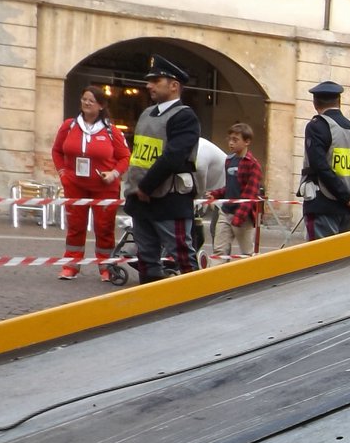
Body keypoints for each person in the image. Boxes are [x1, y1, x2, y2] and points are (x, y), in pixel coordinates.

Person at [122, 56, 201, 283]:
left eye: (156, 80)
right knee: (146, 258)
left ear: (174, 85)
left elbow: (173, 157)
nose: (149, 85)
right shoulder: (147, 113)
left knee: (182, 257)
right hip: (141, 199)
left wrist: (146, 186)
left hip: (169, 200)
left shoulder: (184, 116)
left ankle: (195, 302)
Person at [51, 86, 130, 281]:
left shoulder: (112, 131)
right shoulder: (69, 126)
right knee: (75, 226)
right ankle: (71, 264)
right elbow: (57, 151)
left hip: (105, 187)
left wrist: (114, 174)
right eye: (84, 99)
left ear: (101, 106)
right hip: (75, 184)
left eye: (91, 100)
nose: (86, 103)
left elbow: (125, 157)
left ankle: (106, 267)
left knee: (104, 228)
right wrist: (63, 172)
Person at [299, 80, 350, 239]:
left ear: (315, 103)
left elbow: (320, 166)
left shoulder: (316, 126)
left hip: (322, 205)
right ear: (339, 102)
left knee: (319, 258)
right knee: (339, 259)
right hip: (347, 208)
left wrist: (346, 196)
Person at [208, 122, 262, 261]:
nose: (231, 143)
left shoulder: (252, 164)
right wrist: (216, 193)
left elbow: (250, 194)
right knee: (219, 251)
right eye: (230, 139)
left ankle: (251, 280)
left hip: (243, 217)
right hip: (225, 212)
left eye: (235, 140)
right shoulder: (229, 160)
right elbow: (230, 186)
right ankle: (215, 280)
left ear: (247, 142)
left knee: (246, 254)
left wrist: (239, 217)